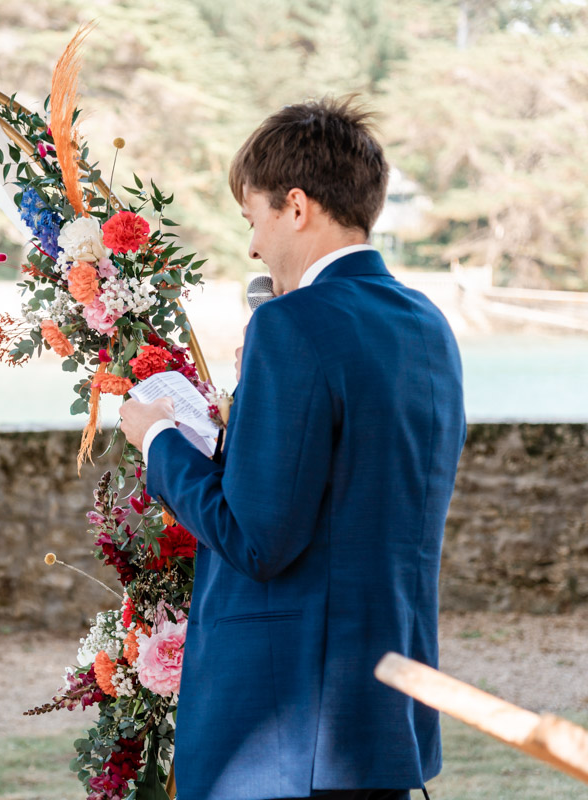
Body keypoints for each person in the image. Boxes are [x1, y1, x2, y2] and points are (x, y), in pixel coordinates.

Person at [119, 97, 465, 800]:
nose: (252, 246)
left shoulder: (290, 325)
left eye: (254, 219)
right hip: (385, 710)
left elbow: (256, 541)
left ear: (296, 207)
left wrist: (156, 437)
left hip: (285, 730)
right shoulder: (429, 325)